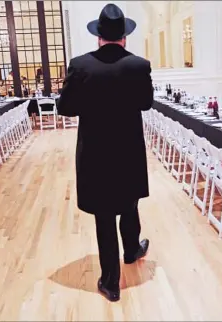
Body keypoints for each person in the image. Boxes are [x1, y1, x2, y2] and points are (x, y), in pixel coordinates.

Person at [57, 4, 153, 302]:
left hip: (96, 153)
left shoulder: (80, 65)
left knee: (104, 215)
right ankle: (132, 249)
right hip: (128, 151)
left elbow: (66, 108)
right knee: (129, 202)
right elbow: (146, 103)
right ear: (124, 36)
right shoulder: (139, 65)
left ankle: (110, 282)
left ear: (99, 37)